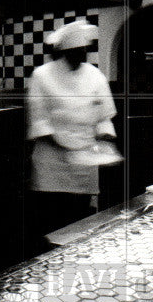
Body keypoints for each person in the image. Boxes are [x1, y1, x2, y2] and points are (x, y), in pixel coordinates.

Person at [25, 19, 118, 245]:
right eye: (76, 52)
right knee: (52, 225)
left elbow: (104, 116)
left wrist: (104, 140)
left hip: (84, 165)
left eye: (84, 51)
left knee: (81, 223)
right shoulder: (42, 76)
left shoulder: (95, 76)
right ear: (64, 52)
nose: (82, 57)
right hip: (52, 165)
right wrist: (68, 147)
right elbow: (39, 121)